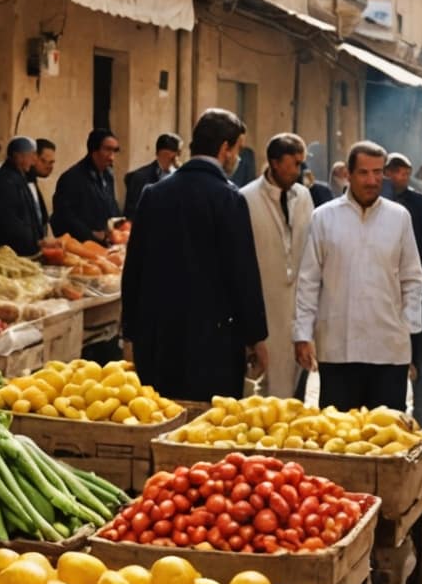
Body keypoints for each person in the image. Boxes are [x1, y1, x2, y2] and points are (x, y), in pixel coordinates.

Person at [121, 108, 269, 402]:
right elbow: (243, 275)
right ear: (225, 148)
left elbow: (133, 268)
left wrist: (130, 332)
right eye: (237, 149)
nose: (237, 157)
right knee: (206, 429)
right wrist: (255, 337)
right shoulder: (229, 199)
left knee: (160, 417)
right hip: (212, 342)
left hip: (158, 337)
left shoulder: (153, 194)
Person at [294, 143, 422, 412]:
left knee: (387, 440)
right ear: (348, 174)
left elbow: (412, 277)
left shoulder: (399, 217)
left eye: (378, 173)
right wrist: (303, 334)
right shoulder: (324, 217)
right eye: (364, 173)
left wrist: (407, 325)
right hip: (338, 348)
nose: (372, 180)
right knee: (338, 438)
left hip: (388, 349)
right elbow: (308, 281)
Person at [240, 133, 314, 398]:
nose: (299, 169)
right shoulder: (245, 198)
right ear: (274, 162)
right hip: (264, 305)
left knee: (296, 385)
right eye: (294, 163)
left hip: (298, 307)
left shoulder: (304, 197)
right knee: (264, 388)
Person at [383, 154, 422, 426]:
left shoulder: (419, 202)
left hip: (419, 289)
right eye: (397, 172)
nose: (402, 177)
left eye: (406, 172)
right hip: (386, 292)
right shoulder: (378, 204)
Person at [51, 130, 121, 245]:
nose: (112, 157)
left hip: (105, 245)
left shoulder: (108, 176)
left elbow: (111, 206)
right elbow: (64, 216)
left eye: (114, 151)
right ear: (94, 150)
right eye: (107, 150)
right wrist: (91, 234)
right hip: (80, 246)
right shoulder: (72, 178)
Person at [0, 137, 47, 255]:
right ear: (18, 156)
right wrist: (33, 242)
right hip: (13, 251)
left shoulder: (20, 176)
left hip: (27, 247)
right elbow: (10, 220)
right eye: (31, 156)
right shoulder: (4, 180)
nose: (34, 161)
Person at [123, 132, 180, 219]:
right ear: (158, 154)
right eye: (168, 156)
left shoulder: (178, 175)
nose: (172, 160)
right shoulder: (140, 177)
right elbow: (132, 212)